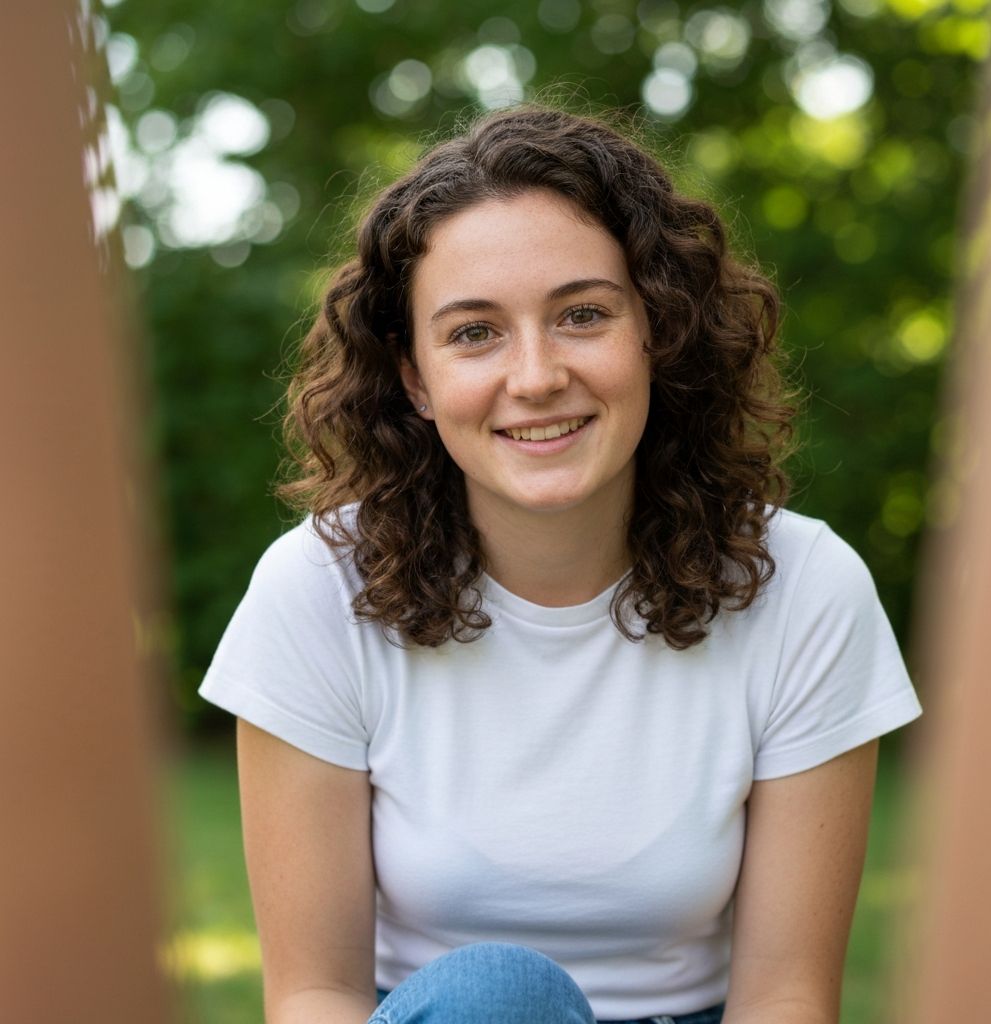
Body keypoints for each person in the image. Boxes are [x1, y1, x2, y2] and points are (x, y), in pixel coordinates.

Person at [198, 106, 922, 1024]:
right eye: (474, 333)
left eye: (582, 316)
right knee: (499, 998)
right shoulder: (316, 588)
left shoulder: (806, 586)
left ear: (657, 332)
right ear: (416, 378)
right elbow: (314, 994)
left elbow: (785, 998)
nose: (536, 377)